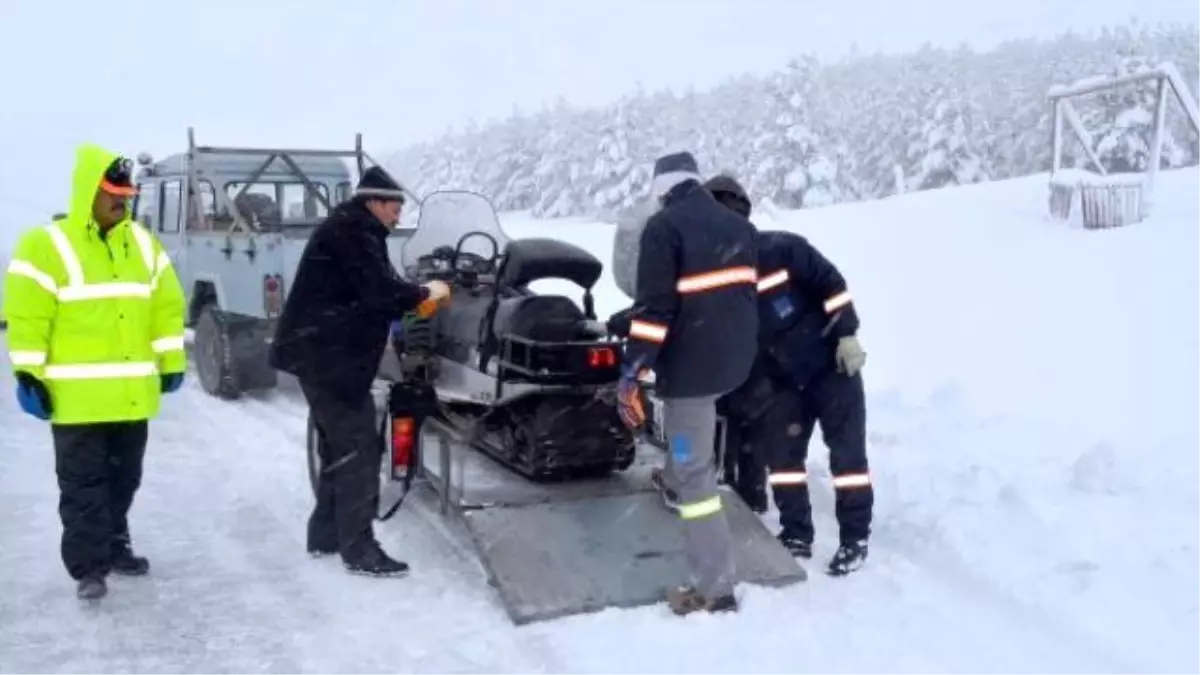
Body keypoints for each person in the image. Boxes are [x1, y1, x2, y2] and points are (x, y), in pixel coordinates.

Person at [3, 144, 188, 600]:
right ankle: (89, 568)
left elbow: (166, 308)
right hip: (76, 401)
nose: (121, 202)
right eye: (112, 193)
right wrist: (28, 372)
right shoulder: (45, 245)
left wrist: (172, 360)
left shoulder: (143, 244)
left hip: (130, 397)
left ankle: (114, 542)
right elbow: (28, 316)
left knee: (125, 479)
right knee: (84, 486)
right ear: (90, 191)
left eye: (126, 194)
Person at [268, 166, 450, 578]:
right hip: (331, 359)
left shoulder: (353, 228)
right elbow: (379, 290)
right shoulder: (353, 232)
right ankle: (359, 548)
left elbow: (374, 285)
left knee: (337, 448)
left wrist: (408, 297)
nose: (398, 215)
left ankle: (327, 534)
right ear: (373, 201)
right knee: (359, 451)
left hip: (323, 355)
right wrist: (426, 294)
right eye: (393, 206)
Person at [614, 151, 759, 615]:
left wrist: (633, 370)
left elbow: (655, 312)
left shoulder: (664, 227)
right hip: (734, 365)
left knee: (696, 472)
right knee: (690, 444)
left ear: (661, 188)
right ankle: (675, 474)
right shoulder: (739, 227)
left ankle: (715, 588)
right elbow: (728, 299)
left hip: (693, 374)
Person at [707, 174, 874, 576]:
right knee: (784, 463)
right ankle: (797, 533)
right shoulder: (715, 282)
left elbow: (833, 285)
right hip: (783, 385)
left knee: (848, 460)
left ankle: (855, 539)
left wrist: (847, 332)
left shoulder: (783, 249)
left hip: (832, 368)